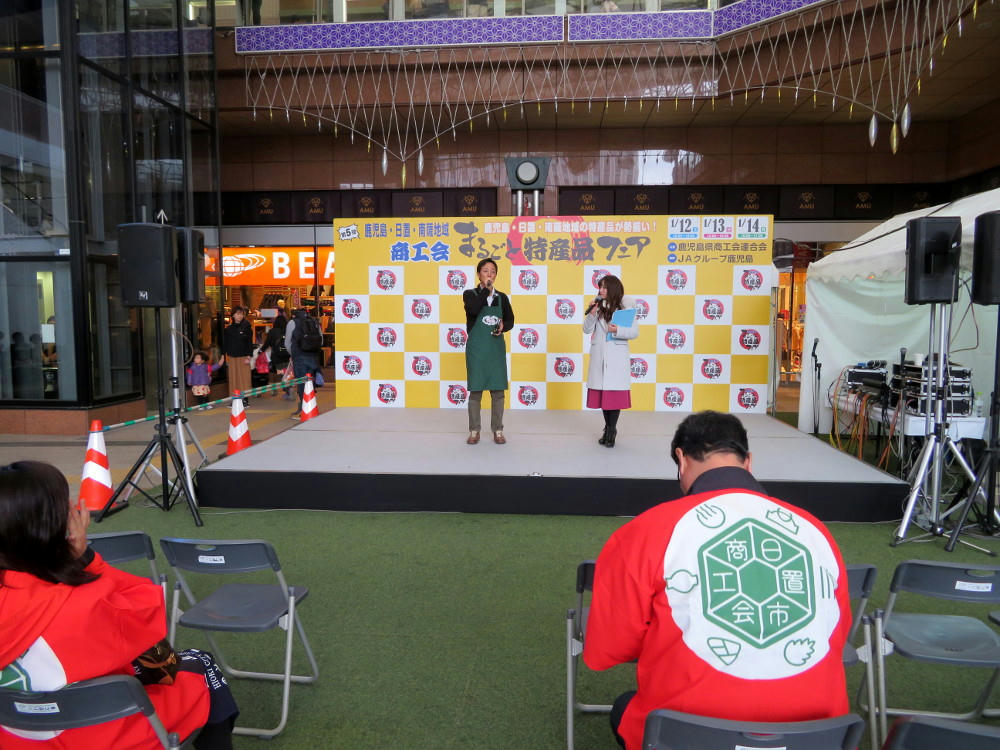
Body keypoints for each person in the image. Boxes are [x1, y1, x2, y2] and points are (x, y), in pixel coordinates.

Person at [583, 411, 851, 750]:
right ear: (748, 461)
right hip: (817, 737)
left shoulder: (644, 532)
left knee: (626, 706)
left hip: (685, 735)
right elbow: (835, 633)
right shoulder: (815, 531)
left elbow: (608, 651)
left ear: (681, 459)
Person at [0, 461, 238, 749]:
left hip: (16, 737)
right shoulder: (86, 602)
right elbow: (153, 632)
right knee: (200, 665)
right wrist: (84, 558)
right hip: (100, 734)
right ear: (53, 525)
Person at [583, 274, 639, 448]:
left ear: (613, 289)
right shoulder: (597, 306)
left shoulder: (625, 308)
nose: (601, 290)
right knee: (603, 395)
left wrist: (617, 330)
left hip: (616, 357)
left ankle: (612, 429)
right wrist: (592, 314)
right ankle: (608, 427)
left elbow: (634, 332)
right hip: (599, 355)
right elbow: (586, 329)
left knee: (613, 396)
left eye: (604, 287)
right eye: (600, 287)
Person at [463, 258, 514, 445]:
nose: (489, 274)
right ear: (479, 274)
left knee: (498, 392)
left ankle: (498, 430)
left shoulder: (502, 298)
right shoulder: (470, 294)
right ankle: (474, 430)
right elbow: (473, 310)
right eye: (485, 271)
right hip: (477, 349)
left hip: (495, 349)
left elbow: (510, 320)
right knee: (476, 391)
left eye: (492, 271)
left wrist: (503, 326)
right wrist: (486, 290)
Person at [284, 308, 322, 419]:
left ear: (294, 315)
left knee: (301, 384)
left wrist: (293, 354)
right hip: (313, 357)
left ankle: (303, 410)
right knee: (310, 383)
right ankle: (311, 407)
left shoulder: (292, 323)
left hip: (299, 357)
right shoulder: (315, 322)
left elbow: (287, 343)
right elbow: (321, 340)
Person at [223, 306, 254, 407]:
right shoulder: (229, 329)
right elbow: (225, 343)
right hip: (232, 357)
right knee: (234, 378)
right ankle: (235, 399)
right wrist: (223, 355)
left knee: (244, 378)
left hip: (243, 357)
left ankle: (245, 399)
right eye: (237, 314)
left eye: (241, 314)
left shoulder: (247, 327)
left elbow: (249, 343)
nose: (240, 316)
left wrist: (249, 356)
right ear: (233, 315)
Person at [261, 315, 292, 400]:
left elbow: (267, 343)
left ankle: (281, 389)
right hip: (287, 355)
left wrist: (261, 350)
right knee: (287, 373)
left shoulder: (272, 331)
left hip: (277, 357)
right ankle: (288, 389)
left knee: (279, 373)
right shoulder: (288, 330)